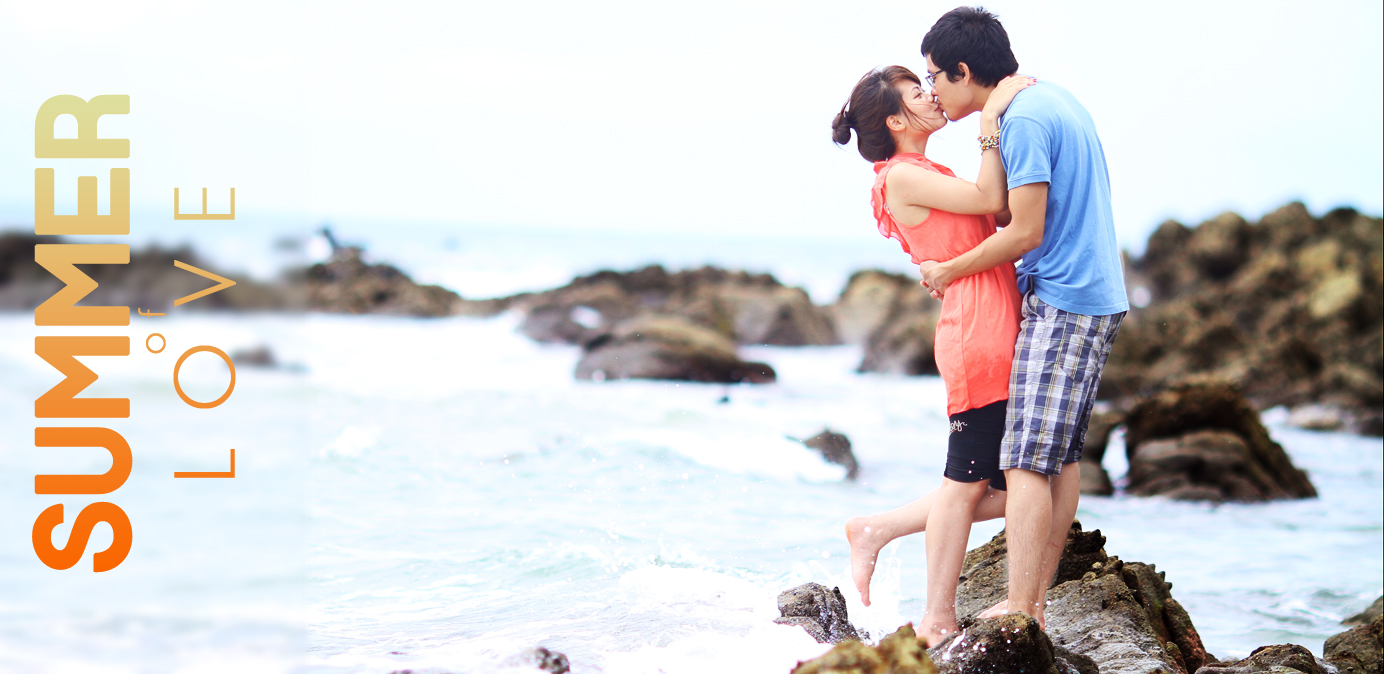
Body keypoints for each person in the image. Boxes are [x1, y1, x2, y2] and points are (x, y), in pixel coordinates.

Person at [917, 7, 1129, 630]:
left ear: (964, 70)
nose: (932, 92)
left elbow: (1024, 229)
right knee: (1058, 458)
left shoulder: (1025, 120)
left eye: (936, 78)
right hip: (1088, 295)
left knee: (1026, 461)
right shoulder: (1047, 100)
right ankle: (1031, 605)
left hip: (1066, 300)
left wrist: (952, 270)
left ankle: (1021, 607)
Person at [832, 64, 1032, 645]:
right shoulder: (900, 177)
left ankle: (877, 527)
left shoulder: (922, 170)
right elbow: (992, 197)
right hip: (977, 331)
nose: (931, 93)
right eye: (916, 92)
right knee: (968, 482)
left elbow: (995, 215)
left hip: (993, 317)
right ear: (896, 120)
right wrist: (991, 120)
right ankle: (935, 617)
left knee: (999, 485)